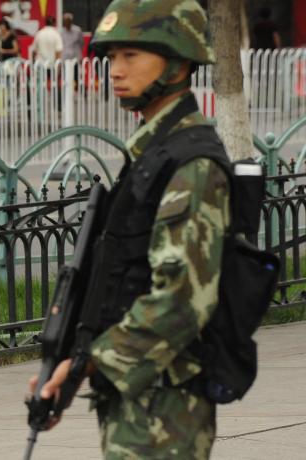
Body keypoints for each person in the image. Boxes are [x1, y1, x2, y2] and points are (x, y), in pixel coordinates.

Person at [27, 1, 227, 458]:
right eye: (112, 56)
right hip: (139, 395)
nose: (115, 69)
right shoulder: (154, 153)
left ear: (177, 63)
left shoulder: (191, 163)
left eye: (131, 55)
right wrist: (72, 365)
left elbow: (181, 300)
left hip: (166, 407)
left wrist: (89, 363)